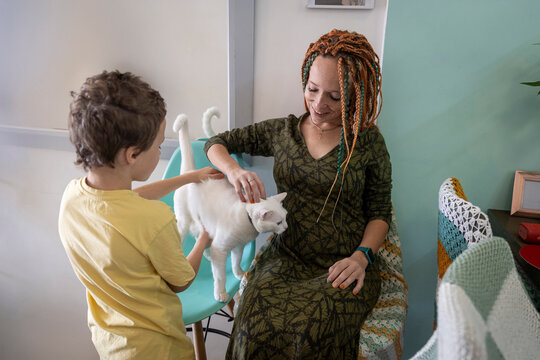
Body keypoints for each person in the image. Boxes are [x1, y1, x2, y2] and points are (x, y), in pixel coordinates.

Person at [204, 29, 392, 359]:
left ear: (355, 95)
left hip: (342, 265)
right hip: (286, 258)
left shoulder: (368, 143)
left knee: (311, 330)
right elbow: (215, 144)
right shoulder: (282, 132)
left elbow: (380, 212)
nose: (319, 104)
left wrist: (361, 257)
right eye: (312, 90)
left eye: (335, 97)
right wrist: (235, 171)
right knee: (251, 325)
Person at [58, 70, 223, 359]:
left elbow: (125, 201)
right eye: (158, 146)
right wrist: (203, 240)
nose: (160, 150)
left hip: (111, 343)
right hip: (159, 348)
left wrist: (188, 177)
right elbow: (181, 281)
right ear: (132, 155)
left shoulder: (72, 198)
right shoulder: (154, 219)